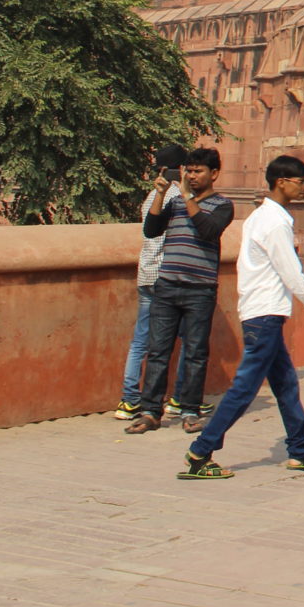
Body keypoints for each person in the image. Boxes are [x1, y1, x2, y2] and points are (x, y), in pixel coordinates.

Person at [177, 155, 304, 480]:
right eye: (301, 182)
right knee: (244, 389)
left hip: (260, 311)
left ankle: (300, 450)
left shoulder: (259, 216)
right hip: (265, 313)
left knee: (286, 385)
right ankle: (201, 450)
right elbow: (292, 274)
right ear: (282, 181)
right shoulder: (275, 222)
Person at [127, 147, 233, 434]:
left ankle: (190, 409)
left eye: (198, 171)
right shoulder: (173, 203)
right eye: (189, 171)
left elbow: (208, 231)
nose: (192, 176)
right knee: (158, 351)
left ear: (214, 174)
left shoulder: (222, 205)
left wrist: (186, 197)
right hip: (167, 285)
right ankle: (150, 411)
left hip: (200, 289)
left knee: (196, 352)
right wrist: (161, 195)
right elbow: (151, 230)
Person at [115, 144, 189, 420]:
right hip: (166, 276)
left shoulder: (151, 196)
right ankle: (180, 398)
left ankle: (129, 399)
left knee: (141, 341)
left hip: (146, 274)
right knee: (186, 338)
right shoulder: (177, 196)